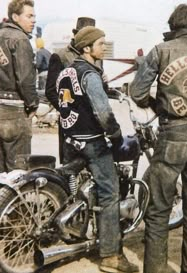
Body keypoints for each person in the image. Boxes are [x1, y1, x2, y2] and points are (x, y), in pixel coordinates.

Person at [130, 4, 187, 273]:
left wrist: (158, 105)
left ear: (174, 24)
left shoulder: (161, 50)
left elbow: (137, 92)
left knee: (159, 209)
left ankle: (155, 269)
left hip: (172, 134)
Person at [56, 26, 139, 273]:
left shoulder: (66, 72)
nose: (104, 47)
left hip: (71, 140)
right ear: (86, 48)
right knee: (110, 192)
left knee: (80, 190)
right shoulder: (90, 74)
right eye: (101, 43)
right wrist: (115, 137)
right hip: (92, 142)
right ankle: (111, 255)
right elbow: (103, 113)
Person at [45, 17, 96, 164]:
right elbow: (51, 91)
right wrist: (68, 112)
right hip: (71, 123)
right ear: (76, 34)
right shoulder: (60, 56)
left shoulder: (95, 56)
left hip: (92, 122)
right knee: (70, 167)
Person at [0, 0, 39, 173]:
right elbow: (25, 79)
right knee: (18, 172)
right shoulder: (20, 39)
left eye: (34, 16)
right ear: (15, 17)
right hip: (14, 110)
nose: (34, 20)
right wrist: (32, 104)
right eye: (29, 16)